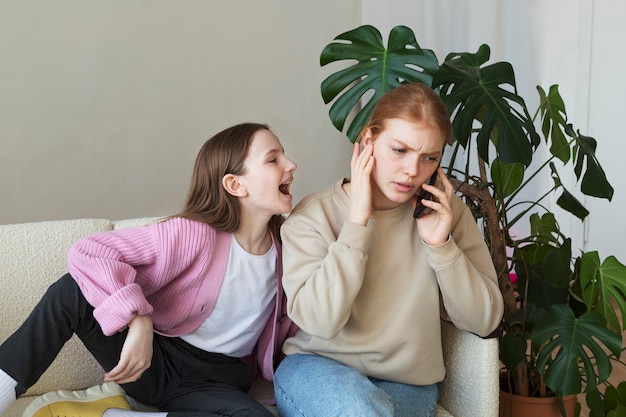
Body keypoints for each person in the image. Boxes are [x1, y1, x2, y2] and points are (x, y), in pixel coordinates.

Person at [0, 122, 299, 417]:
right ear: (236, 184)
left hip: (215, 383)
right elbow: (89, 252)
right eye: (273, 159)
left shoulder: (289, 249)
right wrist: (138, 320)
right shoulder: (193, 235)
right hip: (150, 363)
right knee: (71, 291)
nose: (291, 165)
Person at [273, 83, 504, 417]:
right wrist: (356, 224)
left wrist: (441, 246)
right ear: (368, 142)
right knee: (358, 410)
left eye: (429, 158)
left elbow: (484, 321)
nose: (412, 170)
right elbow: (321, 322)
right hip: (315, 370)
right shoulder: (314, 215)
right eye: (399, 150)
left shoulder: (445, 214)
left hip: (406, 383)